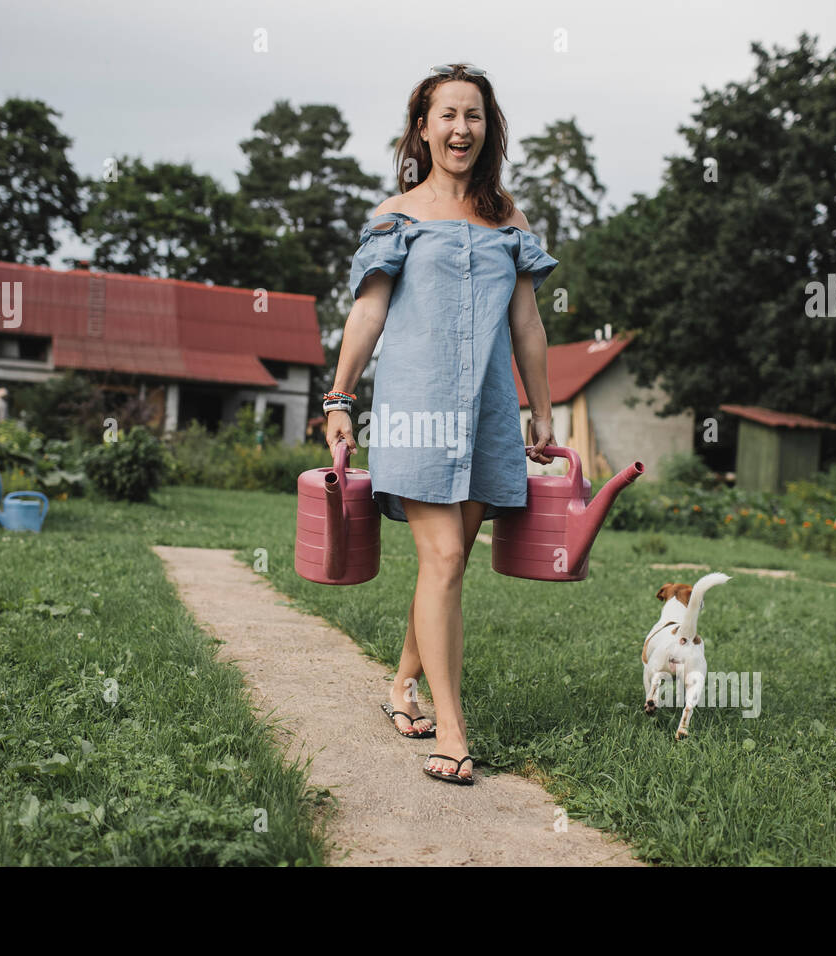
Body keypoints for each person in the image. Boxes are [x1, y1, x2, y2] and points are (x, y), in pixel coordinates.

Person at [326, 63, 558, 785]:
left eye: (475, 116)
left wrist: (542, 411)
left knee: (446, 562)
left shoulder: (506, 217)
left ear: (489, 130)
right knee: (446, 561)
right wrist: (339, 400)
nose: (462, 129)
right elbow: (367, 312)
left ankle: (401, 685)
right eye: (448, 115)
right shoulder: (396, 215)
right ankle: (453, 734)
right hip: (415, 409)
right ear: (422, 128)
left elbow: (526, 323)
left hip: (488, 414)